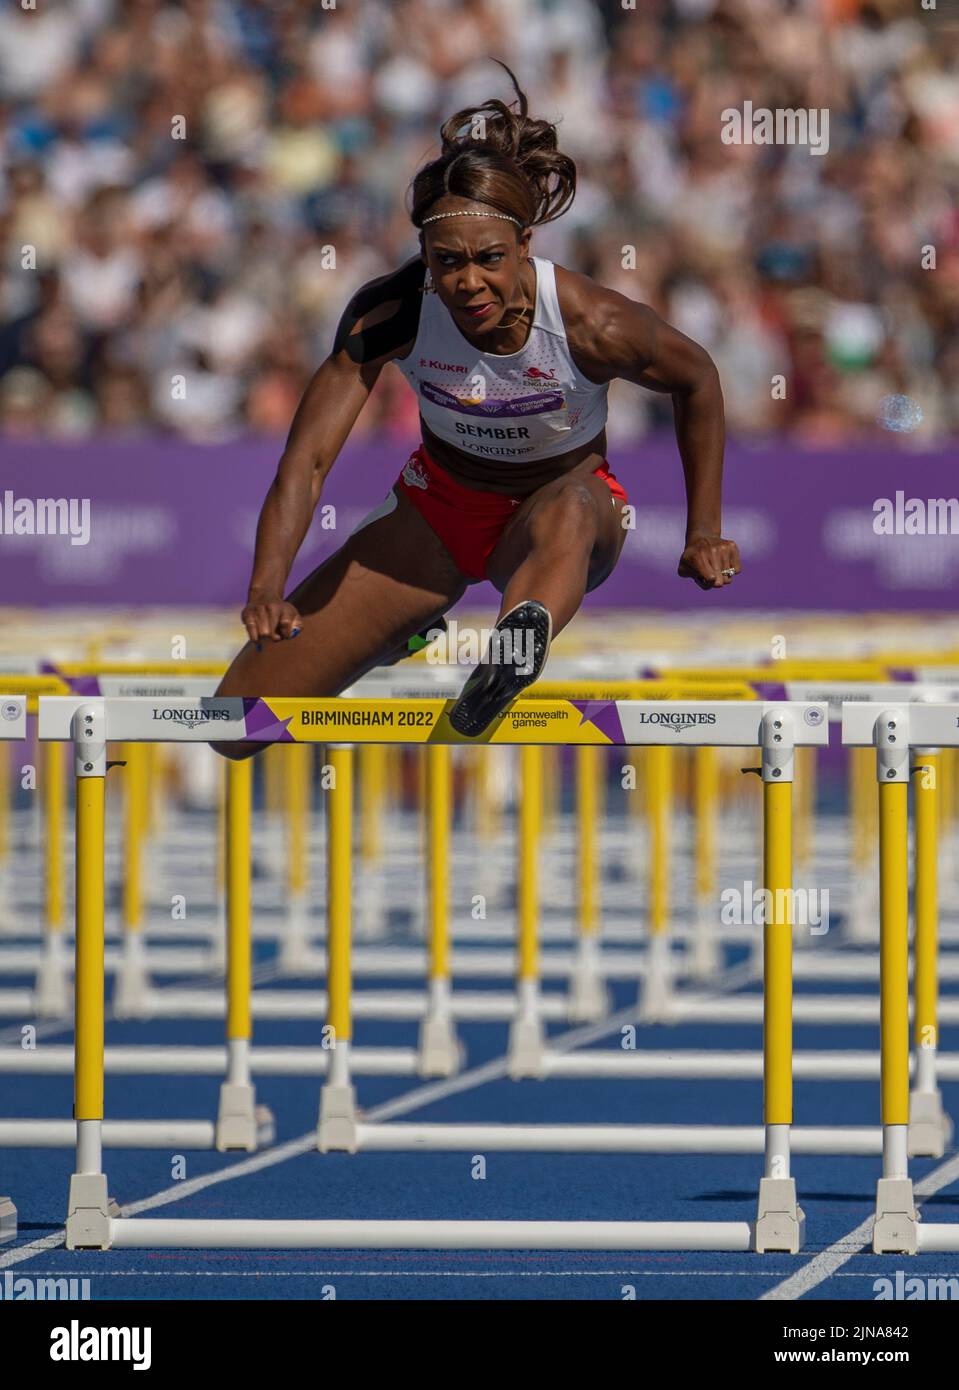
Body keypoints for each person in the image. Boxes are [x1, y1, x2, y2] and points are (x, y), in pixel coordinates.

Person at [212, 63, 739, 754]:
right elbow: (307, 458)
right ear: (424, 256)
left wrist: (702, 530)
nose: (467, 283)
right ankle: (403, 628)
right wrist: (267, 586)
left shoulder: (593, 324)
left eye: (488, 258)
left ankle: (515, 646)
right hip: (437, 511)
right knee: (237, 728)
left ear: (525, 244)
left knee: (570, 511)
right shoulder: (393, 310)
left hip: (560, 510)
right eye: (445, 262)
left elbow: (696, 377)